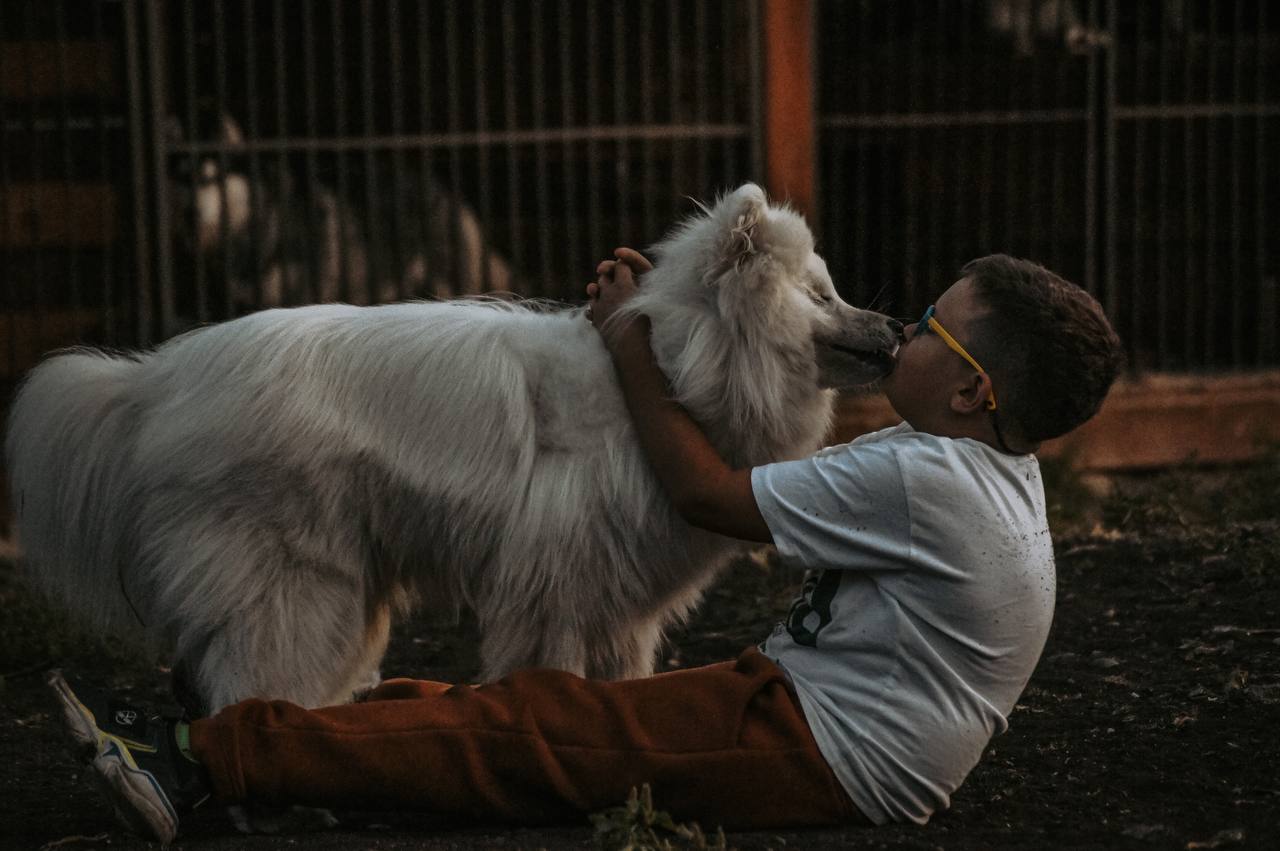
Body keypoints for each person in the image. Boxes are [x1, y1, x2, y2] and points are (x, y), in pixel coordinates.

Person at [48, 250, 1123, 843]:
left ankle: (202, 754)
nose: (893, 325)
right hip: (810, 717)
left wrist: (625, 342)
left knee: (528, 736)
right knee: (522, 717)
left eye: (928, 325)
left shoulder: (918, 473)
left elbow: (702, 491)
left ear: (974, 387)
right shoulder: (984, 473)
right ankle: (265, 726)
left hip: (824, 749)